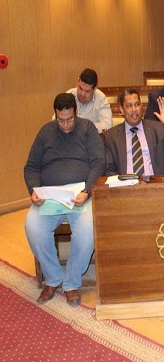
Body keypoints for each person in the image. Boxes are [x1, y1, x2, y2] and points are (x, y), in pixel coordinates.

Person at [24, 93, 105, 307]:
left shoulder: (87, 129)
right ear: (55, 115)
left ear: (75, 113)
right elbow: (31, 167)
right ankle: (53, 277)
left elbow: (99, 163)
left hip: (80, 195)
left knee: (87, 231)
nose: (66, 125)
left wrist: (87, 191)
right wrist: (33, 190)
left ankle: (71, 283)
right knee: (33, 227)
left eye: (70, 119)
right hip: (50, 196)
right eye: (61, 120)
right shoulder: (46, 132)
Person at [103, 88, 164, 176]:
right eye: (129, 106)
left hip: (155, 183)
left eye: (137, 104)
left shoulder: (158, 129)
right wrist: (122, 182)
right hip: (126, 183)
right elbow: (108, 170)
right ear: (121, 110)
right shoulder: (110, 137)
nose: (134, 109)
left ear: (142, 107)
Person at [66, 68, 112, 133]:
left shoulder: (101, 99)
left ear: (95, 89)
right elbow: (55, 121)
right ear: (78, 81)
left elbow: (107, 125)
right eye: (80, 88)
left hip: (90, 138)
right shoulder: (68, 95)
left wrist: (84, 127)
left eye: (87, 91)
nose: (82, 93)